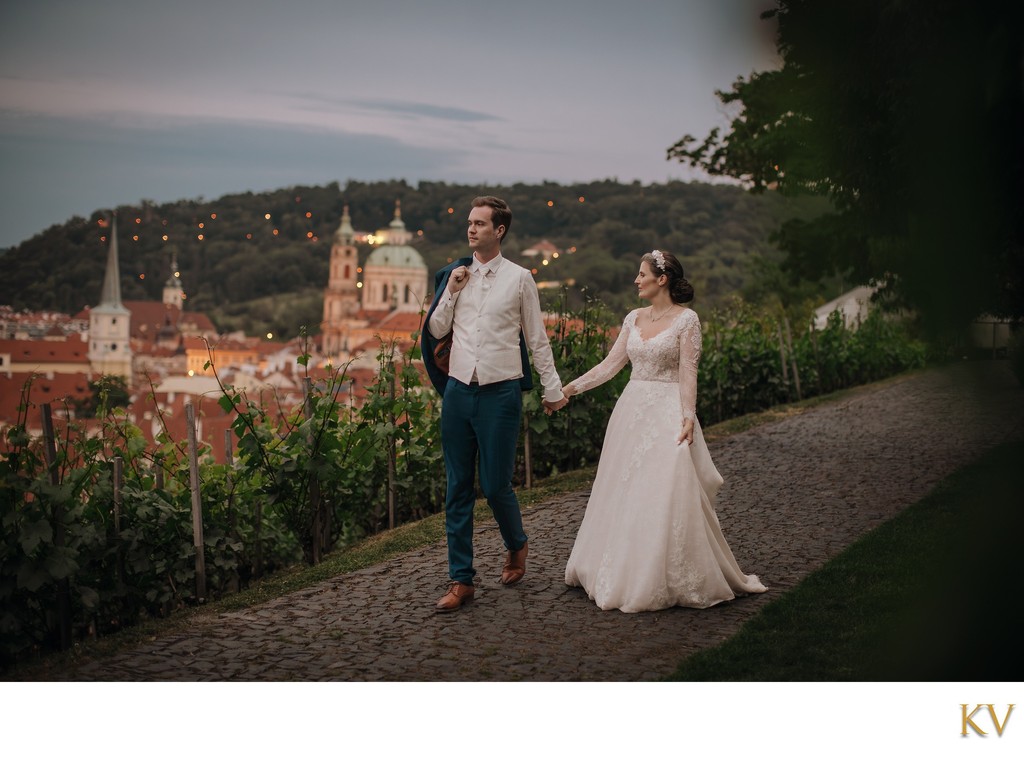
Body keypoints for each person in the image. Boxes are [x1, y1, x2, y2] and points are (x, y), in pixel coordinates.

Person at [561, 249, 766, 612]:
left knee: (666, 486)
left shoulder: (687, 320)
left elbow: (689, 371)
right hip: (631, 412)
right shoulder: (633, 318)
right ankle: (619, 564)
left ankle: (664, 571)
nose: (636, 280)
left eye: (642, 274)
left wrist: (688, 417)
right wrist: (570, 389)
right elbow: (610, 366)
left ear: (662, 279)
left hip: (668, 411)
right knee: (624, 487)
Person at [421, 196, 567, 612]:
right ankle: (461, 580)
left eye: (480, 224)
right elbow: (435, 329)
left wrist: (552, 389)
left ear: (498, 231)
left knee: (497, 483)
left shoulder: (520, 279)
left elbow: (537, 339)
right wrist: (450, 292)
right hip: (458, 393)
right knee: (457, 487)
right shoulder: (453, 274)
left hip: (501, 394)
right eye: (469, 222)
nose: (471, 229)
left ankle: (516, 543)